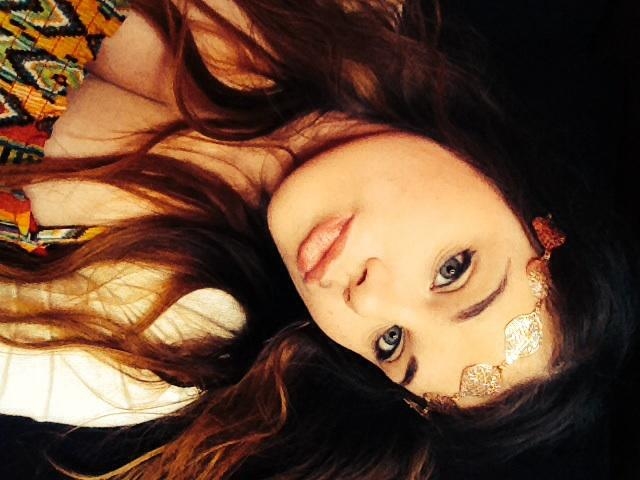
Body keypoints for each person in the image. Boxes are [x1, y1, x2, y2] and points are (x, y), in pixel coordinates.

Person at [1, 1, 638, 479]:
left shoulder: (143, 353)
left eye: (391, 344)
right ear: (512, 183)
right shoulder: (352, 14)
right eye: (453, 270)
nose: (367, 300)